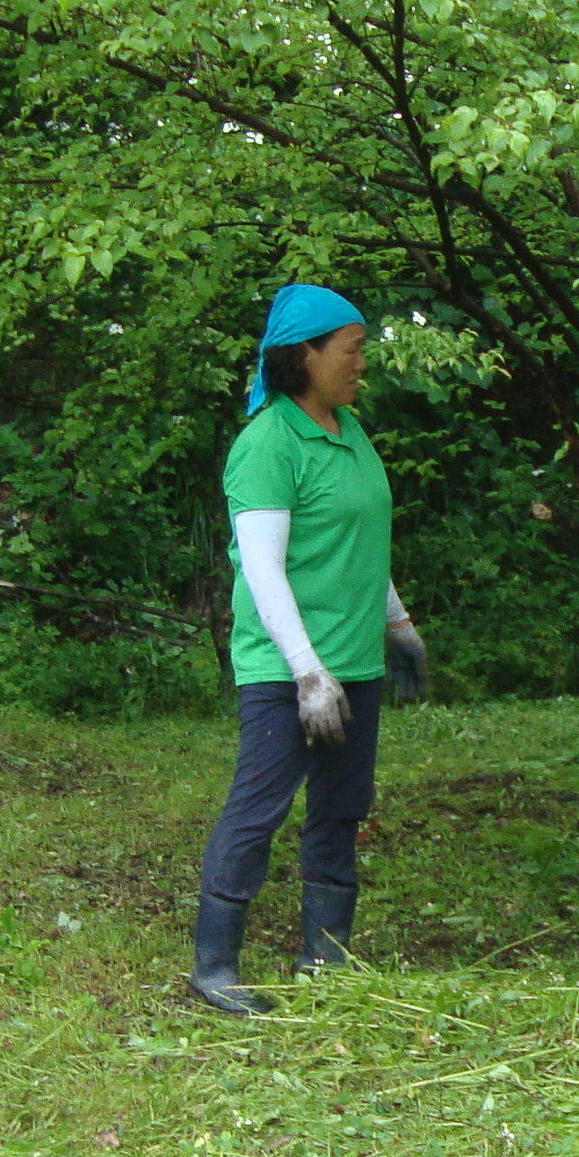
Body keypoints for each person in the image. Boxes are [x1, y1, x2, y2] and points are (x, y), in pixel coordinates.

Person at [187, 284, 429, 1016]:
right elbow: (262, 568)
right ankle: (215, 966)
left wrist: (397, 626)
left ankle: (326, 958)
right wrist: (306, 673)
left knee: (340, 809)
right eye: (351, 349)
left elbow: (358, 544)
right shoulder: (267, 445)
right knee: (258, 810)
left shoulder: (349, 432)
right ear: (306, 355)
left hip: (353, 662)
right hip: (288, 670)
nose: (362, 362)